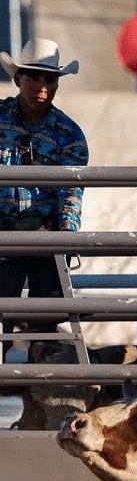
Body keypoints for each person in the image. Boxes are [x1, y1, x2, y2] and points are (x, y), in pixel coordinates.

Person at [0, 39, 88, 356]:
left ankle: (42, 385)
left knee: (47, 315)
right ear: (18, 79)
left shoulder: (69, 134)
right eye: (34, 77)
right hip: (1, 236)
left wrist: (66, 239)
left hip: (44, 235)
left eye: (49, 79)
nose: (42, 86)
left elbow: (70, 194)